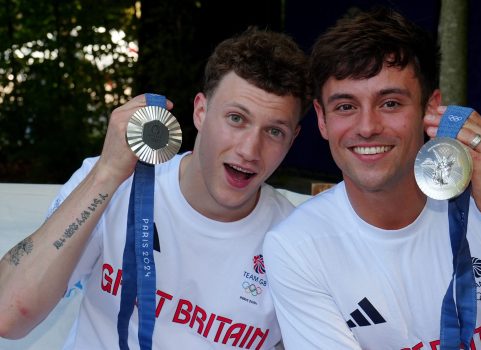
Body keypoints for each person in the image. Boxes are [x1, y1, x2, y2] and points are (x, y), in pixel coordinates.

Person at [263, 7, 481, 349]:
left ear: (431, 109)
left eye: (390, 103)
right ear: (322, 120)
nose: (368, 127)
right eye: (345, 107)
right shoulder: (297, 246)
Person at [0, 27, 310, 349]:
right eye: (236, 118)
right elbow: (8, 313)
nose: (249, 149)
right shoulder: (114, 182)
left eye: (274, 131)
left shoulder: (295, 240)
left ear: (293, 140)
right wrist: (106, 175)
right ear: (200, 112)